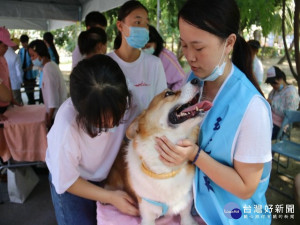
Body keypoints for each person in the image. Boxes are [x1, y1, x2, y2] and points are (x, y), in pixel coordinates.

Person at [155, 0, 272, 224]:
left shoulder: (251, 108)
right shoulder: (193, 80)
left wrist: (195, 155)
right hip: (195, 210)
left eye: (198, 48)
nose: (189, 56)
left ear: (228, 43)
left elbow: (246, 187)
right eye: (184, 45)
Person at [46, 54, 139, 225]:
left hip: (105, 173)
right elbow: (67, 181)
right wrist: (111, 197)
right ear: (81, 112)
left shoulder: (127, 97)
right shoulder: (66, 127)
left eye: (117, 115)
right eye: (101, 121)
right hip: (73, 181)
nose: (111, 124)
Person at [108, 0, 167, 116]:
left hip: (144, 132)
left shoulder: (154, 64)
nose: (144, 29)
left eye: (146, 24)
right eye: (138, 22)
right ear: (120, 26)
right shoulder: (105, 63)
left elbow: (162, 105)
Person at [28, 40, 67, 128]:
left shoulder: (48, 69)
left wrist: (49, 118)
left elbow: (53, 98)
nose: (32, 59)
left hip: (56, 115)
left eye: (33, 55)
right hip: (57, 112)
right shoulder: (50, 65)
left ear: (40, 53)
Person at [143, 25, 186, 91]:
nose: (144, 50)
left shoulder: (165, 57)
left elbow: (181, 80)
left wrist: (171, 97)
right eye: (142, 48)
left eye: (148, 46)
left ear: (156, 42)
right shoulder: (139, 58)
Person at [265, 66, 299, 140]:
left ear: (281, 79)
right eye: (271, 84)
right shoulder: (274, 92)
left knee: (262, 136)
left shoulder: (290, 92)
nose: (273, 86)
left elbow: (290, 114)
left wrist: (272, 104)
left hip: (280, 126)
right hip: (269, 121)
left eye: (274, 83)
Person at [0, 27, 15, 121]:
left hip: (5, 105)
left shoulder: (3, 58)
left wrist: (11, 98)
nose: (6, 49)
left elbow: (7, 78)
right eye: (4, 46)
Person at [19, 34, 36, 104]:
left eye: (24, 42)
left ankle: (32, 104)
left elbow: (34, 63)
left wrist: (26, 69)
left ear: (27, 42)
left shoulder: (31, 50)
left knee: (31, 93)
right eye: (22, 43)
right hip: (24, 75)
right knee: (27, 91)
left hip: (31, 75)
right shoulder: (21, 51)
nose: (23, 44)